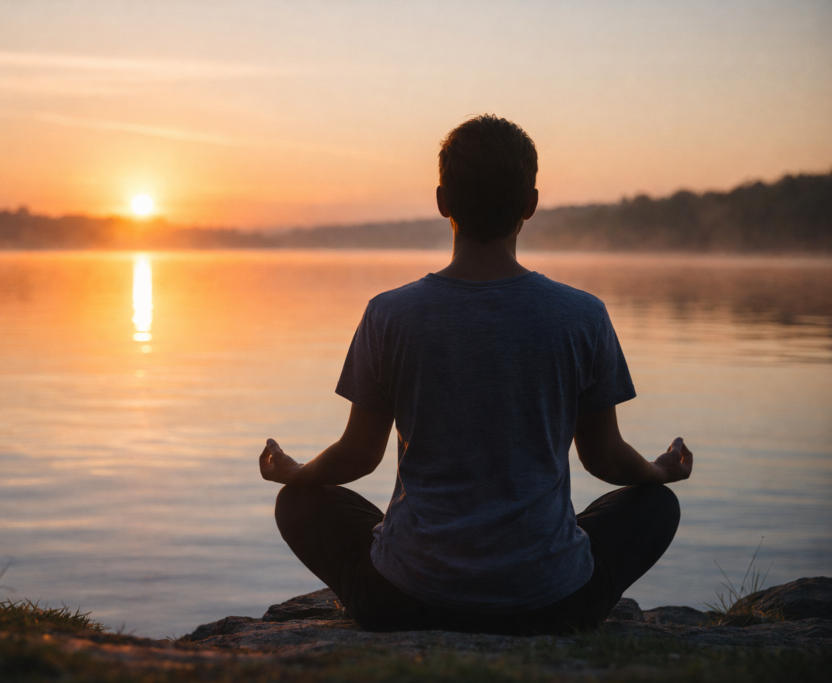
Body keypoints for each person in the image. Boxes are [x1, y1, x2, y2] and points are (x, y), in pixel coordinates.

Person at [258, 114, 693, 635]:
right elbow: (604, 458)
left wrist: (297, 472)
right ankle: (535, 565)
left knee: (299, 503)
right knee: (656, 506)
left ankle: (416, 567)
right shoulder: (582, 315)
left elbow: (358, 455)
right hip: (550, 607)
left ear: (442, 201)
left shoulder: (389, 314)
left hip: (404, 602)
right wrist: (661, 470)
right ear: (530, 205)